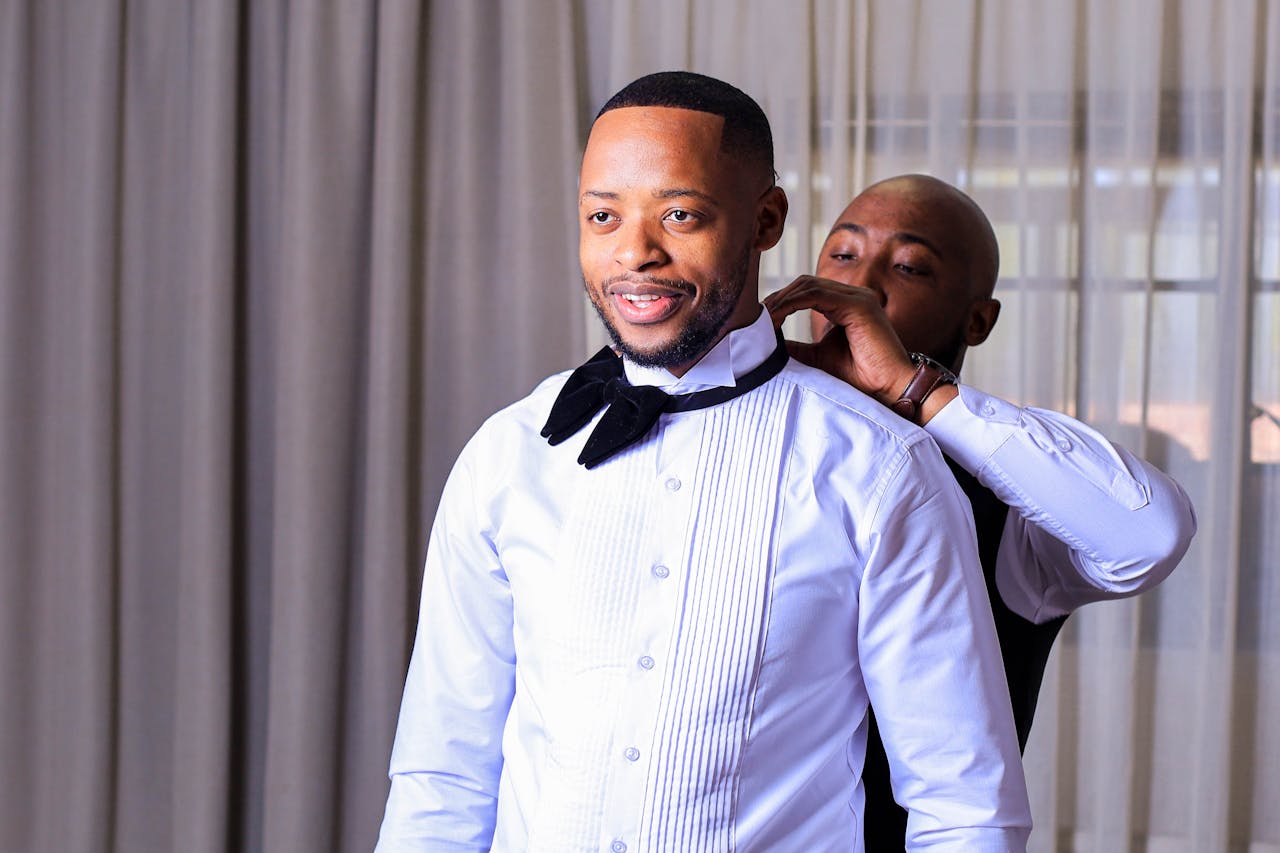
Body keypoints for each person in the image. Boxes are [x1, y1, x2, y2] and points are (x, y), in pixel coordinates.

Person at [375, 74, 1032, 851]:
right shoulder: (508, 455)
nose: (634, 253)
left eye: (680, 214)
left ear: (765, 220)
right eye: (602, 216)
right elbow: (442, 778)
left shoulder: (884, 469)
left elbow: (964, 806)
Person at [764, 173, 1198, 850]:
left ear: (977, 320)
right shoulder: (751, 448)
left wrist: (915, 390)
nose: (863, 286)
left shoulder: (1010, 504)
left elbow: (1148, 531)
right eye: (843, 255)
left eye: (908, 266)